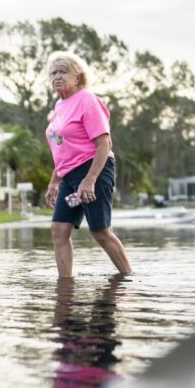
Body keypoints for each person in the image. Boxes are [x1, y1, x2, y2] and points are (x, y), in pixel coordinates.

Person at [44, 51, 132, 278]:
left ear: (78, 76)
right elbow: (63, 149)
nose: (57, 77)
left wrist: (89, 180)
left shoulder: (87, 100)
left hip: (94, 169)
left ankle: (129, 278)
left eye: (63, 71)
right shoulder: (59, 107)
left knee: (100, 231)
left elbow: (104, 143)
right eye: (53, 73)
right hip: (69, 175)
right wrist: (54, 182)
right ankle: (65, 285)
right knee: (59, 230)